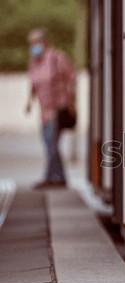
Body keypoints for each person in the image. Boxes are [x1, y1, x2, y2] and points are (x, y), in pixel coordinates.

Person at [25, 28, 77, 189]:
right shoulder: (34, 62)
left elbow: (72, 78)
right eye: (31, 44)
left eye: (36, 43)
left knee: (51, 143)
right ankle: (58, 177)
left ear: (45, 42)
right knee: (49, 143)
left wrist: (71, 102)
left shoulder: (56, 58)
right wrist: (29, 102)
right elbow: (33, 84)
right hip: (44, 111)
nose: (34, 47)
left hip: (57, 109)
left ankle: (52, 177)